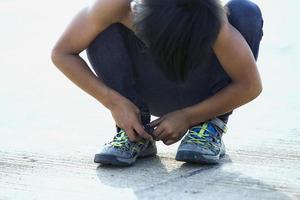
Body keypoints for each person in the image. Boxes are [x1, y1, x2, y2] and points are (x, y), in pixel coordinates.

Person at [51, 0, 264, 166]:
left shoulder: (205, 13)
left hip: (201, 92)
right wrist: (113, 102)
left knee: (245, 10)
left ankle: (209, 128)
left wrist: (189, 116)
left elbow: (250, 85)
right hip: (150, 87)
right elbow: (62, 53)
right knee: (97, 29)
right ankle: (135, 132)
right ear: (137, 13)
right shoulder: (119, 6)